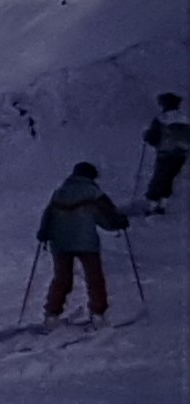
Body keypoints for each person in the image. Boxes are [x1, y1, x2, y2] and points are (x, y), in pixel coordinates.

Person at [38, 162, 129, 329]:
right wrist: (120, 223)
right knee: (94, 278)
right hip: (85, 242)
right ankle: (98, 315)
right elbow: (107, 216)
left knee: (62, 278)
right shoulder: (94, 192)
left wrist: (43, 233)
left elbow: (48, 215)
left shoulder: (60, 192)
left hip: (60, 242)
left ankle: (52, 315)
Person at [143, 92, 188, 214]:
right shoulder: (185, 119)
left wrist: (146, 135)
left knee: (159, 177)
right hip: (182, 154)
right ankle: (163, 202)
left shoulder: (161, 118)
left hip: (165, 153)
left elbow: (154, 137)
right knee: (170, 177)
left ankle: (151, 204)